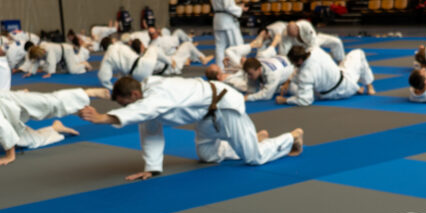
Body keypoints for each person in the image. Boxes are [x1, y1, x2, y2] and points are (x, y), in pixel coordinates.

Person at [78, 76, 303, 181]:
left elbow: (143, 110)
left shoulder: (157, 95)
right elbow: (150, 132)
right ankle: (253, 139)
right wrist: (153, 168)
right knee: (208, 155)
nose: (126, 107)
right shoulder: (147, 101)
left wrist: (104, 118)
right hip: (206, 116)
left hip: (224, 106)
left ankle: (291, 138)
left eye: (125, 103)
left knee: (253, 158)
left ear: (135, 94)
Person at [0, 88, 106, 166]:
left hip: (5, 103)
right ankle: (56, 128)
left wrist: (10, 155)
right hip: (5, 127)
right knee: (32, 142)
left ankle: (87, 93)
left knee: (47, 104)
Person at [279, 46, 375, 106]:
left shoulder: (305, 74)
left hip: (341, 84)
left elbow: (305, 100)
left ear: (300, 60)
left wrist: (285, 100)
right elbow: (300, 70)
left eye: (294, 62)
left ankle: (360, 87)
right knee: (358, 53)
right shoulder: (315, 49)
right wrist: (289, 82)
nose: (294, 65)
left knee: (358, 54)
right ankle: (366, 86)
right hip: (340, 83)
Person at [209, 0, 246, 69]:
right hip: (227, 20)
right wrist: (240, 9)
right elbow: (228, 6)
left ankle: (220, 69)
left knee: (220, 46)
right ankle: (238, 68)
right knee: (236, 45)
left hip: (217, 18)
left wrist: (237, 8)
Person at [281, 20, 346, 63]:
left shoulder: (305, 25)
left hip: (315, 40)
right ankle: (327, 57)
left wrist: (319, 54)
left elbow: (313, 43)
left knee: (337, 42)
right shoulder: (285, 34)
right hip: (300, 49)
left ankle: (340, 61)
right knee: (316, 59)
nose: (292, 37)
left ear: (297, 29)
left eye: (294, 35)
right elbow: (283, 50)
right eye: (291, 35)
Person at [20, 42, 90, 78]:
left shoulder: (48, 49)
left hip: (67, 51)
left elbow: (52, 61)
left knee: (72, 71)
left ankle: (84, 64)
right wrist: (31, 72)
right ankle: (81, 65)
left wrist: (50, 73)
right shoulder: (39, 52)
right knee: (66, 71)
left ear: (37, 54)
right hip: (61, 56)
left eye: (36, 57)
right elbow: (35, 62)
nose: (36, 59)